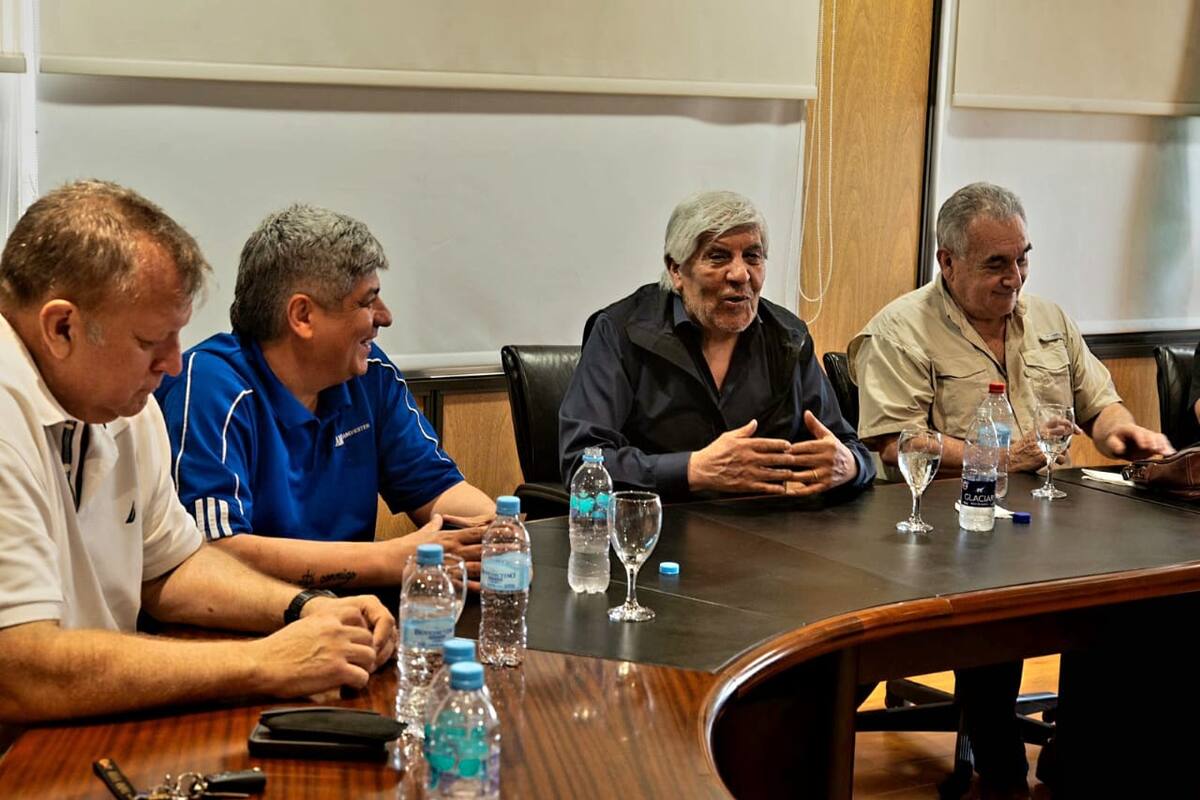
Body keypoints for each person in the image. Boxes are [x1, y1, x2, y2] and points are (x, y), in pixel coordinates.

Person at [0, 181, 395, 725]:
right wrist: (264, 662)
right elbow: (20, 670)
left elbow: (174, 567)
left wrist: (309, 609)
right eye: (149, 342)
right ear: (61, 327)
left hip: (78, 726)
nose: (173, 365)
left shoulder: (123, 405)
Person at [849, 181, 1175, 798]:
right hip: (952, 527)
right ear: (947, 261)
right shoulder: (899, 331)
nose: (1015, 277)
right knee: (1001, 594)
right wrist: (1000, 457)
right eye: (996, 263)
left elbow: (1099, 403)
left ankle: (1081, 755)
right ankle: (997, 761)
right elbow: (898, 446)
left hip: (1054, 520)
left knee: (1136, 597)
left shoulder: (1048, 318)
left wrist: (1125, 434)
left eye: (1023, 257)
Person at [156, 205, 494, 593]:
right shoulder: (210, 387)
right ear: (302, 316)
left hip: (351, 616)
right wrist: (387, 559)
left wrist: (499, 533)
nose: (385, 317)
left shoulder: (368, 374)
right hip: (246, 629)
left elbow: (439, 490)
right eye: (367, 302)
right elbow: (213, 553)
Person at [559, 190, 874, 500]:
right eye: (718, 256)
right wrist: (692, 470)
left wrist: (852, 466)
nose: (740, 274)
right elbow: (582, 464)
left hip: (770, 530)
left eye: (752, 256)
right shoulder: (620, 332)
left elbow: (845, 444)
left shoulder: (788, 336)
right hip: (657, 531)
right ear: (676, 269)